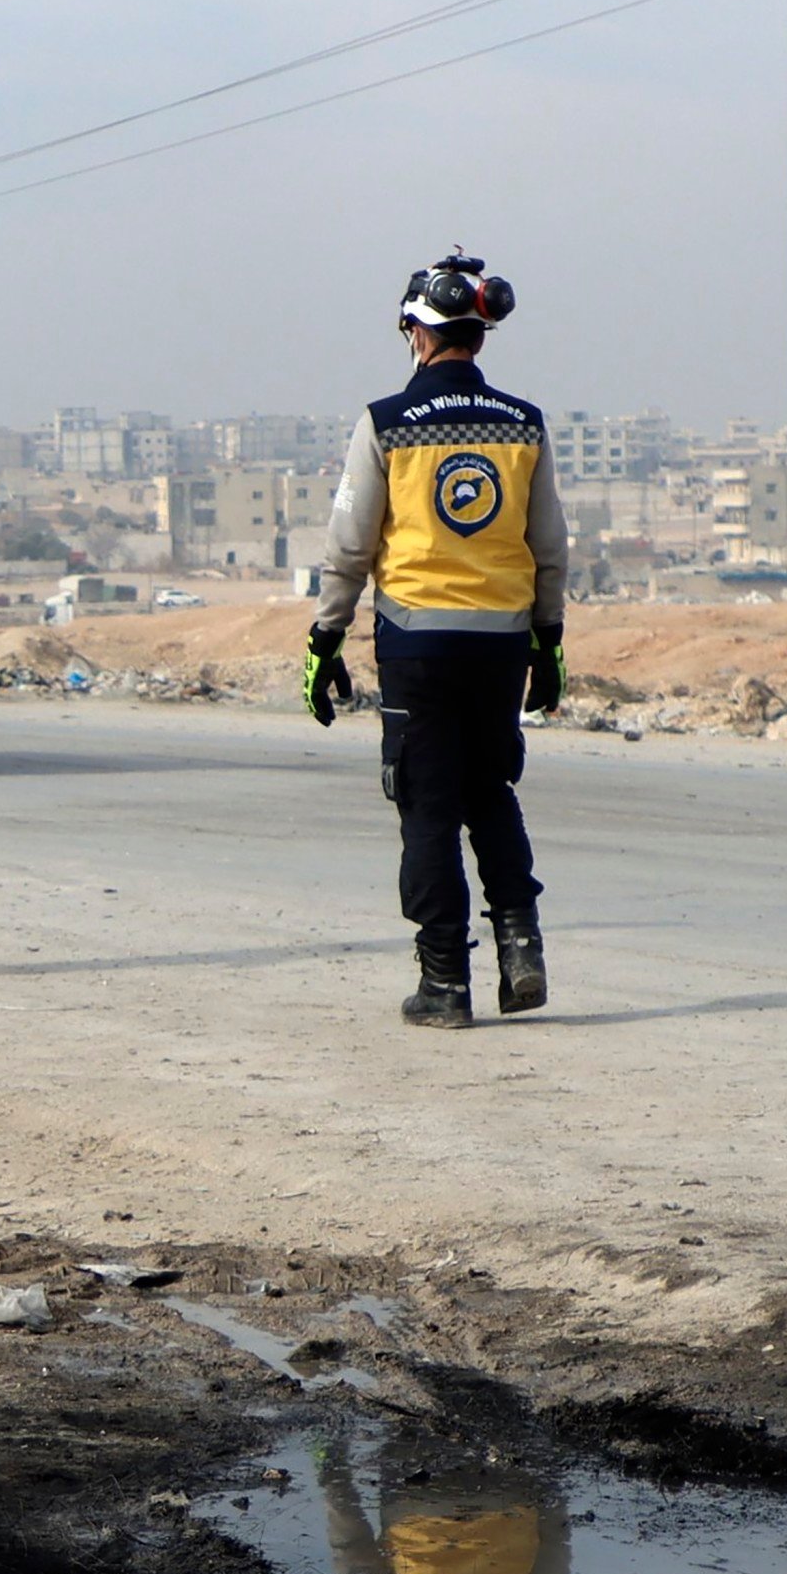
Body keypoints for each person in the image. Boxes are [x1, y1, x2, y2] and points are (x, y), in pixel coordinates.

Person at [305, 250, 570, 1028]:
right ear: (478, 335)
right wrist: (546, 642)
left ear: (415, 335)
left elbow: (348, 546)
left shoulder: (383, 422)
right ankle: (521, 946)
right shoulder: (524, 424)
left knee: (425, 805)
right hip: (501, 645)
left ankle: (444, 984)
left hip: (417, 644)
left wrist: (324, 641)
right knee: (489, 791)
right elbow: (548, 545)